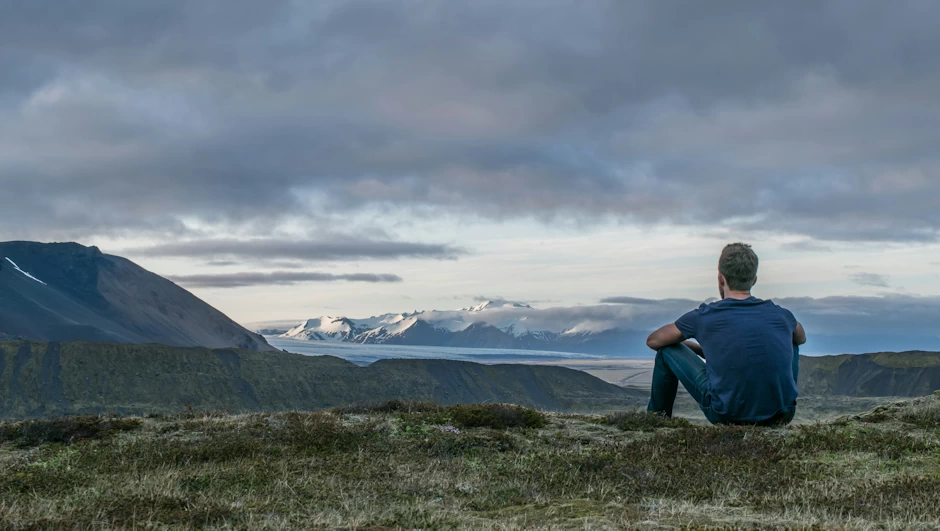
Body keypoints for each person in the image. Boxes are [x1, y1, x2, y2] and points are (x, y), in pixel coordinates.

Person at [645, 243, 806, 426]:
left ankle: (656, 421)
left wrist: (683, 345)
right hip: (783, 414)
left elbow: (653, 341)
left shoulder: (704, 316)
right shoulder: (782, 315)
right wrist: (703, 350)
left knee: (666, 352)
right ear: (754, 279)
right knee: (792, 340)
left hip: (725, 414)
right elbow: (801, 338)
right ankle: (779, 403)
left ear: (721, 278)